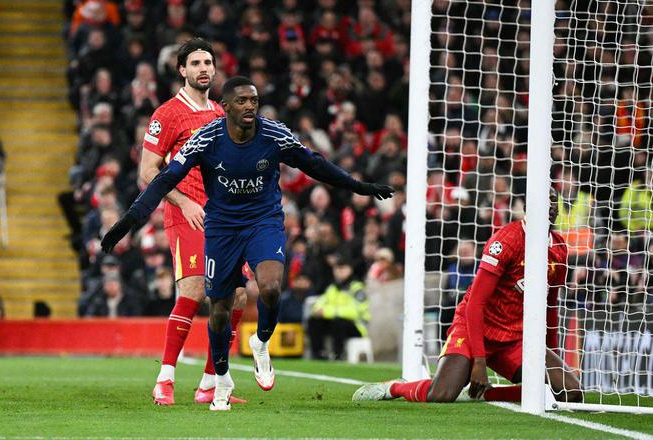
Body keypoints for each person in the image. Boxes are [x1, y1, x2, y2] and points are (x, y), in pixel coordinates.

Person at [102, 75, 394, 411]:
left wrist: (359, 187)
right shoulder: (206, 139)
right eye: (241, 101)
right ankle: (220, 382)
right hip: (222, 229)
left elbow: (315, 164)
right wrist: (128, 222)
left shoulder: (274, 134)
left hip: (262, 222)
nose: (249, 106)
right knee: (220, 309)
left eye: (254, 100)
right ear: (225, 107)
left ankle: (261, 341)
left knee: (270, 288)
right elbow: (163, 180)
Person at [353, 190, 583, 404]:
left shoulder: (559, 249)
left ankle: (487, 393)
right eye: (544, 202)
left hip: (514, 338)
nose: (551, 207)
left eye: (554, 202)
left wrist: (552, 355)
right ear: (526, 207)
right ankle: (395, 387)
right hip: (476, 327)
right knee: (442, 394)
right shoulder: (506, 240)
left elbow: (550, 306)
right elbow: (475, 303)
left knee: (569, 392)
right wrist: (479, 362)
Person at [138, 38, 247, 406]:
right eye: (196, 63)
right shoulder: (167, 114)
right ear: (182, 70)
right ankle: (165, 379)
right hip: (186, 213)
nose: (204, 68)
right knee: (195, 289)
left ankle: (210, 384)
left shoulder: (220, 112)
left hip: (223, 216)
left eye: (208, 62)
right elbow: (147, 171)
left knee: (238, 296)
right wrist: (183, 201)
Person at [308, 254, 370, 360]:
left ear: (350, 269)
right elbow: (320, 302)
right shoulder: (333, 288)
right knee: (314, 321)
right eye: (336, 268)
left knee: (338, 323)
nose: (338, 271)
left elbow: (354, 312)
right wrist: (318, 310)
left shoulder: (357, 288)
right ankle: (318, 354)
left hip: (357, 326)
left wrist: (327, 312)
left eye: (342, 268)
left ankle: (338, 355)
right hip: (335, 323)